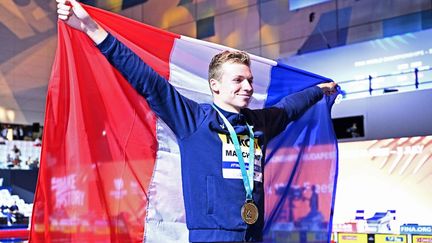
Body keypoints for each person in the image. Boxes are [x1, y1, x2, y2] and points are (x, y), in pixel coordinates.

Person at [56, 1, 337, 242]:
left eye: (250, 80)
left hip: (253, 235)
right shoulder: (194, 120)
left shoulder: (259, 123)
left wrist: (318, 91)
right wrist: (91, 29)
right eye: (238, 80)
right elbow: (147, 80)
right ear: (215, 85)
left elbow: (289, 108)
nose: (248, 87)